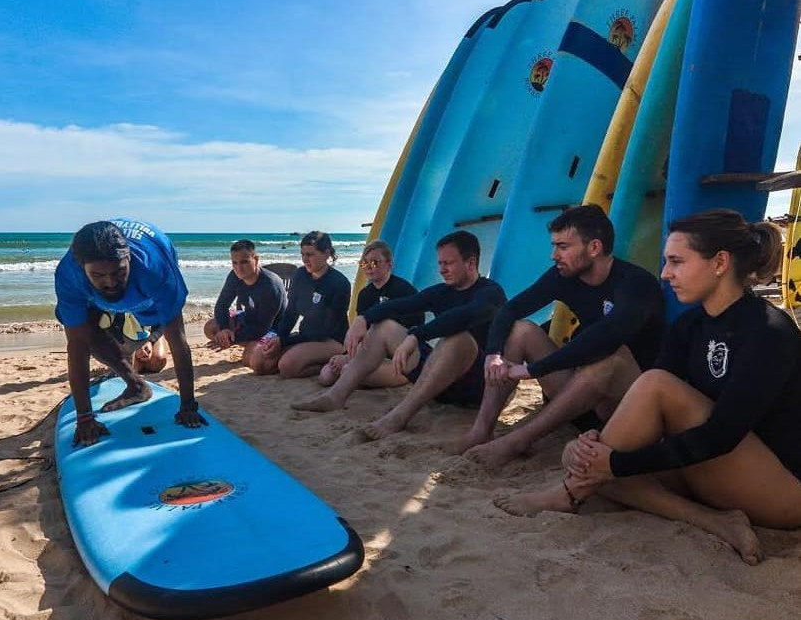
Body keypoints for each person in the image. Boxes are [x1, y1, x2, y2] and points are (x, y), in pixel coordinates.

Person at [495, 209, 801, 566]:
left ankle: (569, 494)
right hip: (718, 468)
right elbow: (654, 415)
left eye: (676, 261)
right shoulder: (690, 326)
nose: (665, 273)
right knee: (586, 461)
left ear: (719, 263)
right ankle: (714, 521)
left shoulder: (768, 331)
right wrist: (599, 446)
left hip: (782, 487)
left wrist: (618, 461)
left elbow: (720, 435)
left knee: (620, 443)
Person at [459, 204, 664, 466]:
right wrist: (494, 354)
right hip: (582, 401)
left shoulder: (635, 283)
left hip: (628, 406)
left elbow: (609, 334)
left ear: (594, 248)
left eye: (563, 247)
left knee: (610, 358)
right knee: (522, 330)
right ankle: (481, 430)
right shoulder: (564, 276)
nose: (554, 255)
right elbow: (510, 309)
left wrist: (534, 370)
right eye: (554, 245)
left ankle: (517, 441)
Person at [292, 230, 506, 442]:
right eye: (440, 263)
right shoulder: (441, 291)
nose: (442, 269)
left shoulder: (490, 292)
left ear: (471, 262)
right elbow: (400, 306)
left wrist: (415, 336)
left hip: (477, 386)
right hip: (440, 385)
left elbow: (463, 316)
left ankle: (398, 417)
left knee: (459, 338)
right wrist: (363, 319)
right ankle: (335, 396)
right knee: (383, 326)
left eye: (448, 263)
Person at [54, 219, 205, 447]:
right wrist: (84, 417)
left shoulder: (155, 270)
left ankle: (137, 376)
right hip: (96, 293)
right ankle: (136, 385)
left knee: (162, 328)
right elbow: (76, 347)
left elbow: (179, 342)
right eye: (98, 275)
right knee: (86, 332)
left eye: (119, 271)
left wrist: (188, 406)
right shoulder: (69, 276)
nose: (110, 282)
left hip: (147, 290)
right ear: (81, 267)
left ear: (129, 259)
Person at [315, 240, 423, 388]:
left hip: (400, 356)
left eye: (375, 262)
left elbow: (413, 331)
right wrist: (347, 355)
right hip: (369, 353)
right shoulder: (365, 294)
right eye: (364, 263)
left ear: (389, 264)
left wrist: (351, 360)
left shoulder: (405, 290)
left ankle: (398, 377)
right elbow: (361, 333)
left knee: (348, 371)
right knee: (326, 376)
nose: (368, 267)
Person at [255, 231, 351, 378]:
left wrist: (288, 341)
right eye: (303, 254)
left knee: (287, 366)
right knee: (261, 363)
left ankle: (325, 365)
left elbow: (326, 327)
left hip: (331, 339)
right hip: (306, 335)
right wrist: (280, 337)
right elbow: (291, 312)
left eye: (310, 254)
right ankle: (298, 357)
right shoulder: (300, 275)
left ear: (326, 254)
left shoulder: (339, 283)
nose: (305, 260)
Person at [203, 239, 287, 371]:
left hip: (273, 327)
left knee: (255, 362)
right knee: (211, 327)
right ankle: (251, 345)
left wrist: (230, 340)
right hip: (248, 317)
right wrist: (224, 329)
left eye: (244, 262)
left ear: (256, 259)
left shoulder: (270, 286)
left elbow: (262, 328)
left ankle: (261, 348)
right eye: (234, 263)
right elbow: (222, 305)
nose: (238, 268)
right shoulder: (234, 276)